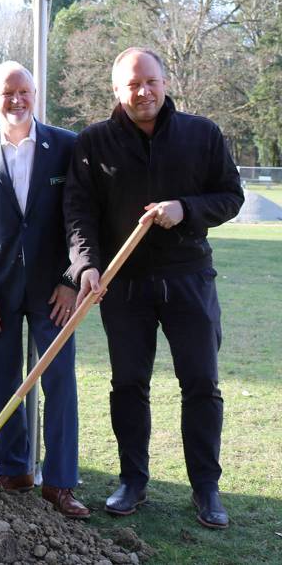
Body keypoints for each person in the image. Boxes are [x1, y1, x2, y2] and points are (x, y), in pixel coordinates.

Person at [64, 47, 243, 529]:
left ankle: (206, 487)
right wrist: (86, 268)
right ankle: (133, 481)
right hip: (124, 288)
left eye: (150, 82)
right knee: (128, 385)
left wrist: (187, 208)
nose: (142, 92)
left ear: (165, 82)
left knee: (201, 383)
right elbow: (79, 214)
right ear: (116, 91)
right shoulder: (93, 142)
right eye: (131, 85)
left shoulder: (201, 134)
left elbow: (231, 196)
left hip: (189, 278)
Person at [0, 62, 89, 519]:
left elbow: (80, 220)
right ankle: (14, 470)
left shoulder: (66, 147)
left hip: (56, 292)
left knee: (59, 384)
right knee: (4, 381)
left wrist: (71, 279)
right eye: (7, 93)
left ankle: (60, 483)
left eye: (24, 91)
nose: (16, 100)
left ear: (35, 94)